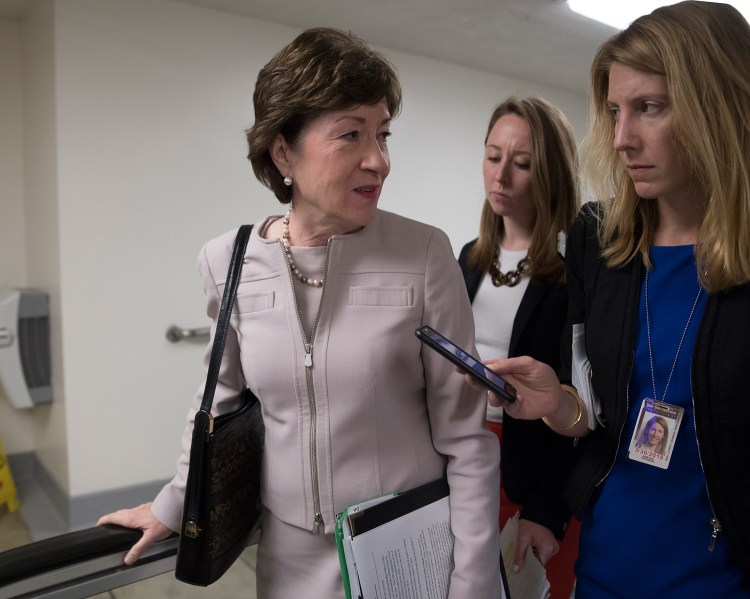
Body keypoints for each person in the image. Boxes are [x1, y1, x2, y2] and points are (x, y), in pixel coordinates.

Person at [97, 27, 503, 598]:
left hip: (404, 549)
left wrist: (473, 583)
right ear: (283, 151)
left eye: (383, 135)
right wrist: (172, 505)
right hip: (289, 560)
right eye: (351, 135)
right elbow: (217, 401)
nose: (378, 160)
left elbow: (467, 440)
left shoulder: (423, 254)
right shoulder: (228, 261)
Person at [461, 2, 750, 596]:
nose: (621, 138)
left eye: (649, 107)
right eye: (616, 111)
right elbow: (594, 417)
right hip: (604, 565)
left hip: (717, 579)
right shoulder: (602, 242)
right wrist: (557, 401)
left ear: (716, 105)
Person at [458, 96, 579, 599]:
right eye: (492, 156)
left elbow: (585, 405)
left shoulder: (577, 270)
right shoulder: (469, 256)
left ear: (548, 173)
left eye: (522, 163)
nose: (501, 175)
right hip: (467, 456)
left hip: (535, 467)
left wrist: (548, 511)